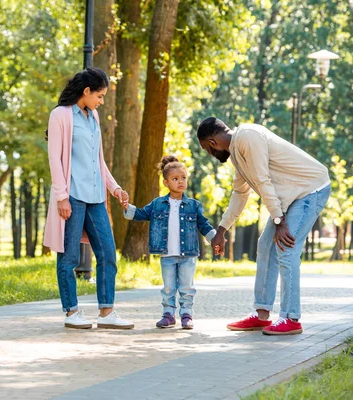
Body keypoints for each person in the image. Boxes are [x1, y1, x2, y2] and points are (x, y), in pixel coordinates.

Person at [197, 117, 330, 335]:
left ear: (212, 143)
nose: (209, 154)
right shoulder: (238, 156)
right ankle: (261, 315)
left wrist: (279, 221)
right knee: (266, 246)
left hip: (310, 189)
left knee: (286, 248)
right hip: (290, 196)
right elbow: (240, 194)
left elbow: (263, 180)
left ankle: (291, 318)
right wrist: (221, 230)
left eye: (206, 149)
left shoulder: (248, 137)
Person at [43, 67, 134, 330]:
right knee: (69, 256)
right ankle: (71, 311)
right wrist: (61, 197)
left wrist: (115, 188)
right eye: (100, 96)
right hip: (72, 195)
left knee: (107, 252)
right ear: (86, 91)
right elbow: (55, 158)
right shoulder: (60, 115)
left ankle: (107, 313)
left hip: (95, 197)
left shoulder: (92, 116)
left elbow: (98, 161)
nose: (101, 102)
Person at [123, 156, 216, 329]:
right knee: (168, 287)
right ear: (166, 183)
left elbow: (203, 224)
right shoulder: (158, 204)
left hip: (188, 254)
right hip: (167, 254)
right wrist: (127, 207)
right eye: (175, 179)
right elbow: (142, 214)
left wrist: (214, 238)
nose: (180, 182)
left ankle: (187, 315)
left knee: (187, 287)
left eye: (183, 178)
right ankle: (168, 314)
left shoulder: (193, 205)